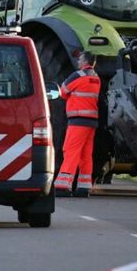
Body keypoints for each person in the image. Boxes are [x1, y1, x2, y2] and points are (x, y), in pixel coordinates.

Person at [55, 50, 101, 198]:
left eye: (80, 60)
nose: (78, 62)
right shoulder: (96, 78)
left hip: (78, 121)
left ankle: (63, 185)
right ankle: (84, 187)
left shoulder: (77, 75)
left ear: (86, 62)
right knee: (86, 154)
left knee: (70, 151)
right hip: (91, 122)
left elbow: (62, 91)